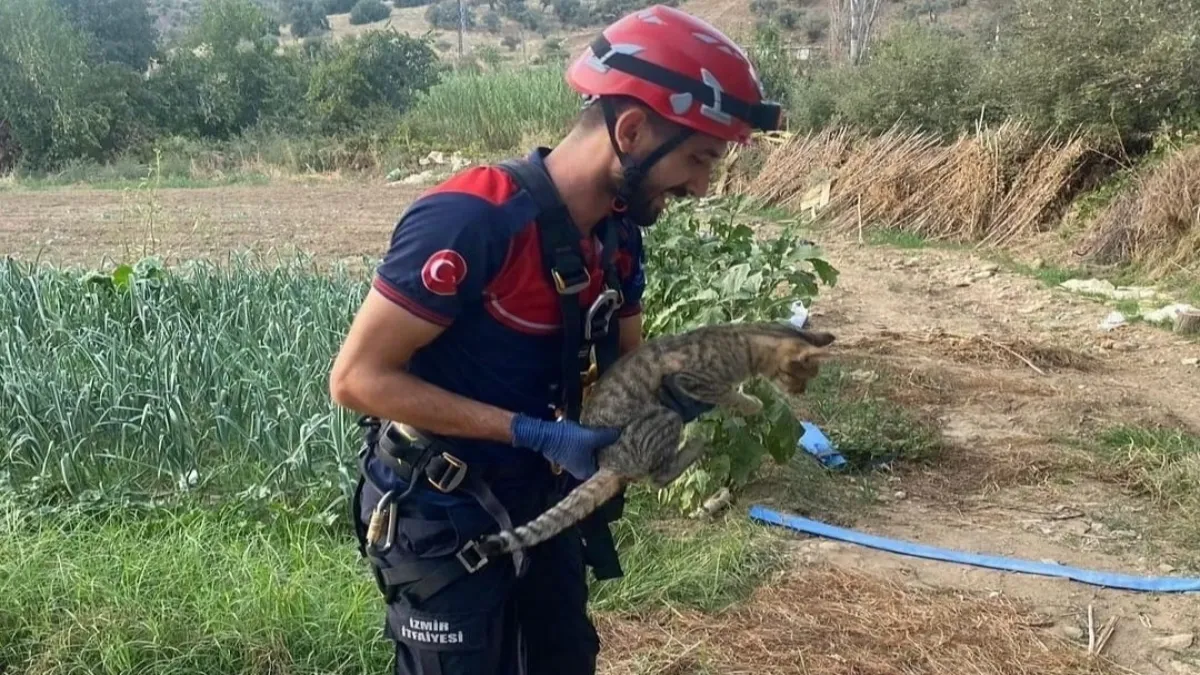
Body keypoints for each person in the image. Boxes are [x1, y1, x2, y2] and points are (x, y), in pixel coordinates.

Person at [327, 5, 783, 674]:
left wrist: (673, 397)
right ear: (632, 130)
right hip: (440, 507)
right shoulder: (471, 219)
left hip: (543, 502)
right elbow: (356, 380)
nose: (701, 185)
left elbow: (628, 365)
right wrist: (531, 432)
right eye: (697, 158)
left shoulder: (616, 236)